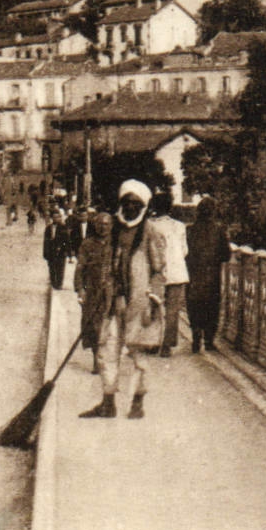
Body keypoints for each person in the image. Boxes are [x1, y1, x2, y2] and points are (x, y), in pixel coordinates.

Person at [79, 180, 170, 420]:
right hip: (112, 303)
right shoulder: (114, 231)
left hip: (139, 305)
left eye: (135, 204)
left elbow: (159, 271)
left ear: (143, 206)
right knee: (106, 351)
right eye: (126, 203)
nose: (130, 207)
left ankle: (137, 402)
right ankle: (108, 402)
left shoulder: (151, 232)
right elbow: (107, 265)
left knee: (139, 355)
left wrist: (154, 300)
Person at [186, 196, 230, 353]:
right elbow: (226, 255)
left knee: (194, 306)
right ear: (213, 212)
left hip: (192, 276)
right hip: (212, 277)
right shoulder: (219, 231)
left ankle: (195, 337)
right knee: (211, 308)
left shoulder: (189, 230)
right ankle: (209, 341)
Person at [148, 191, 190, 357]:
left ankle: (153, 342)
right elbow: (184, 250)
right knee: (173, 310)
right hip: (178, 272)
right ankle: (167, 345)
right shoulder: (179, 226)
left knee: (154, 307)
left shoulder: (149, 225)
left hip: (157, 272)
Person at [73, 212, 112, 372]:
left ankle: (107, 358)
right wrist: (80, 289)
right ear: (95, 226)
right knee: (93, 327)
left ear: (111, 226)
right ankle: (97, 358)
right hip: (92, 291)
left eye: (106, 224)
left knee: (110, 327)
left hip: (111, 292)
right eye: (100, 224)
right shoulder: (87, 244)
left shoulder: (116, 244)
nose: (103, 227)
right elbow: (80, 268)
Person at [42, 205, 81, 290]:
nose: (56, 219)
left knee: (60, 268)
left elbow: (67, 241)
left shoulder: (63, 228)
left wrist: (69, 253)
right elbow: (45, 241)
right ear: (52, 218)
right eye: (54, 217)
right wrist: (45, 253)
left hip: (61, 252)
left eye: (58, 217)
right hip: (51, 252)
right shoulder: (48, 228)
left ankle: (59, 284)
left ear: (60, 218)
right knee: (52, 268)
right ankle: (53, 283)